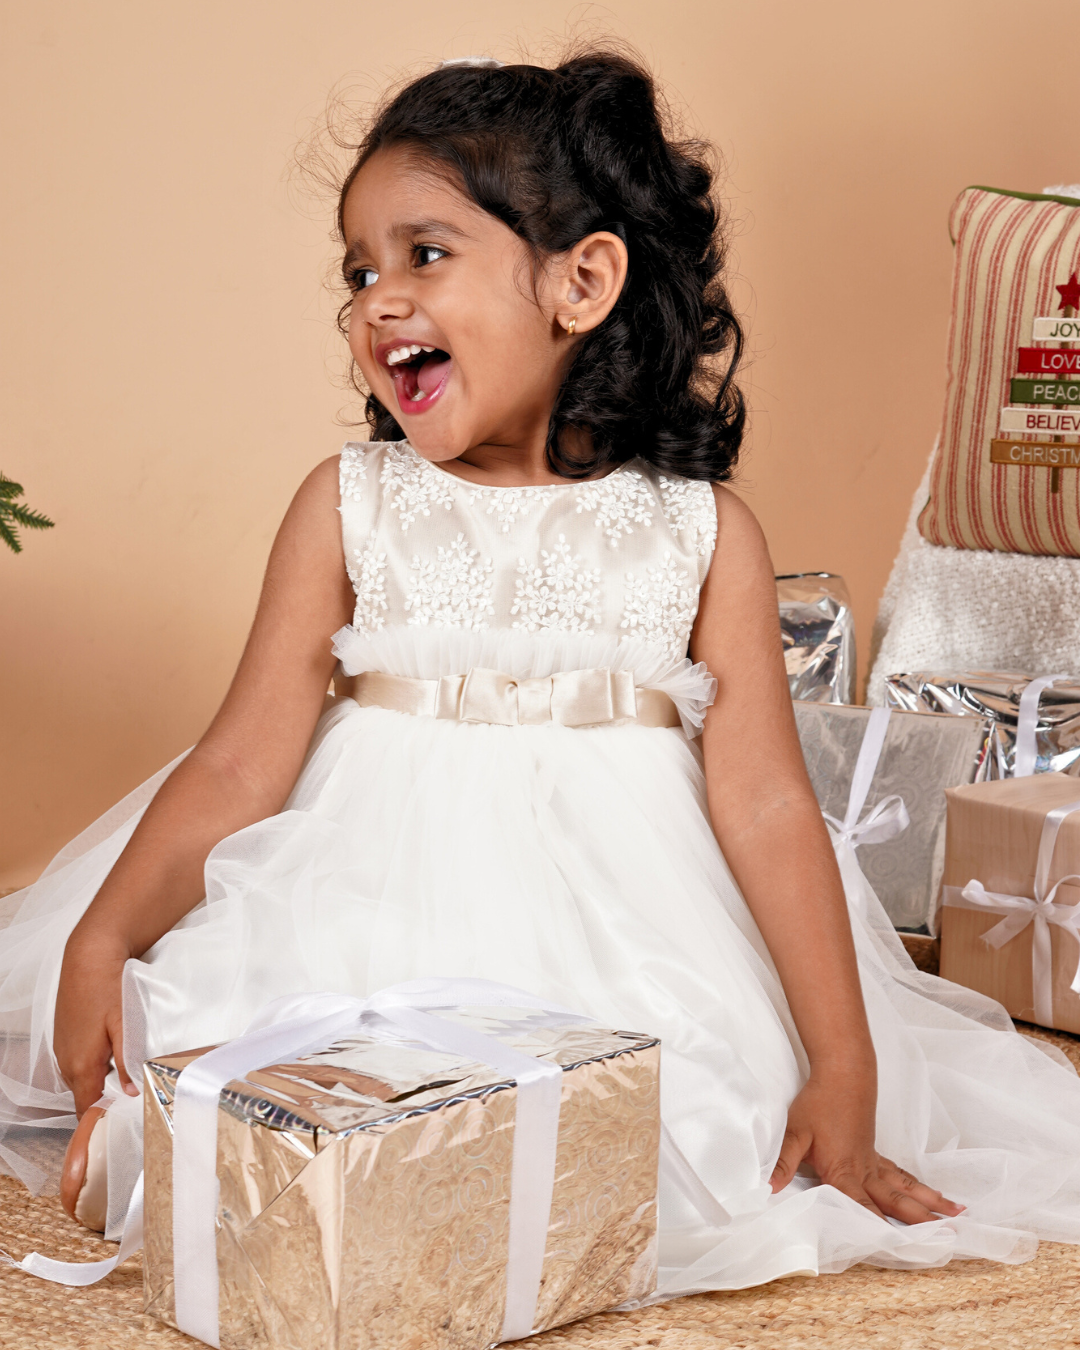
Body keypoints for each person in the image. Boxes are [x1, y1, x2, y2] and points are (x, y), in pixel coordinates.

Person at [3, 49, 1080, 1294]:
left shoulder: (700, 532)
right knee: (262, 1096)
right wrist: (103, 937)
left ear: (582, 281)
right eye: (359, 271)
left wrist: (845, 1066)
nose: (378, 301)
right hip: (365, 901)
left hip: (624, 930)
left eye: (425, 254)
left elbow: (771, 804)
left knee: (704, 1138)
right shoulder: (349, 505)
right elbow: (242, 759)